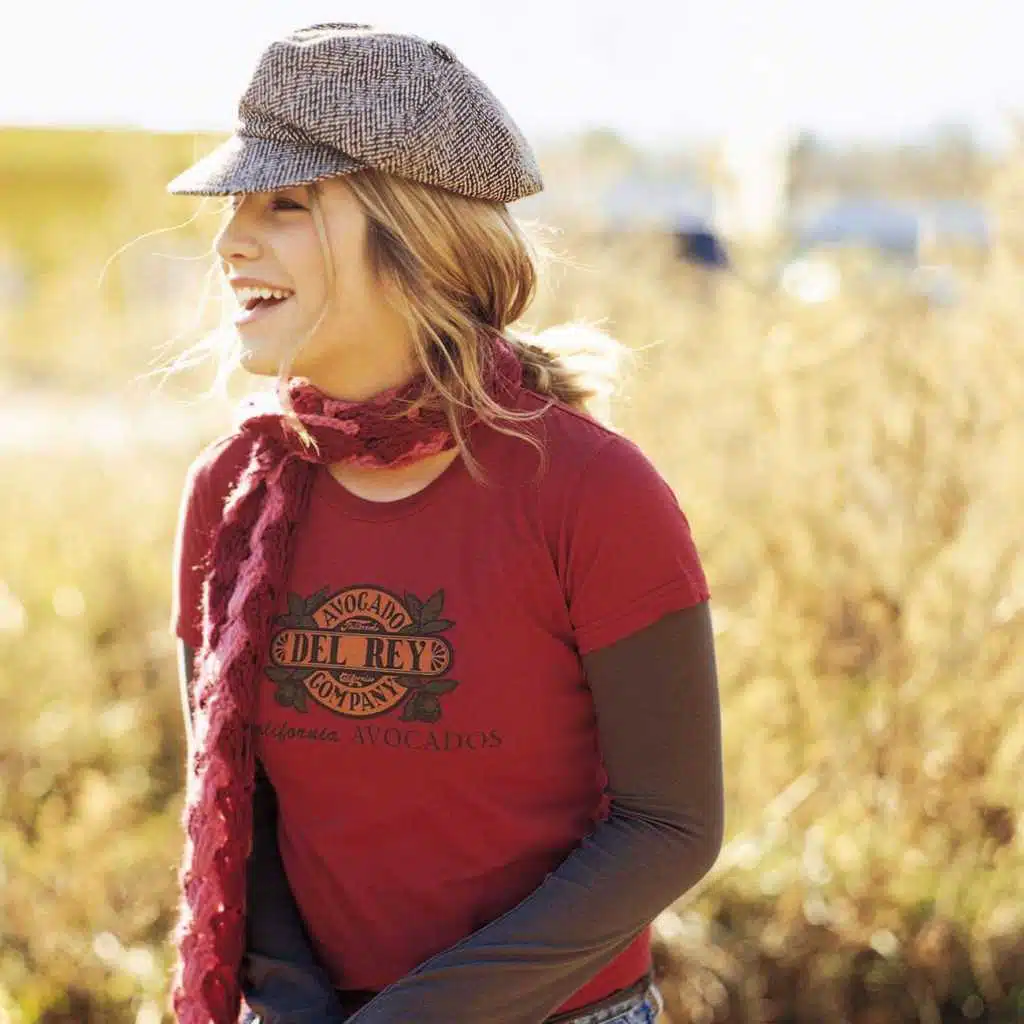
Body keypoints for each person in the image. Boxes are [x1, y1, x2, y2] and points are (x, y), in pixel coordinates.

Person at [166, 23, 723, 1024]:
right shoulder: (231, 494)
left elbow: (669, 826)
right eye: (234, 204)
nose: (230, 241)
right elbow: (237, 800)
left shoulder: (593, 491)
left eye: (284, 203)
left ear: (415, 238)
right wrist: (293, 1003)